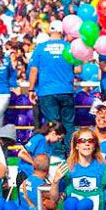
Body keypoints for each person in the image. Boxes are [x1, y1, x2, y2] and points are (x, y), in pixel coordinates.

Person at [28, 25, 79, 157]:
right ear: (62, 32)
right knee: (68, 125)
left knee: (54, 125)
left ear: (49, 32)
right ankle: (71, 155)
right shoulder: (69, 47)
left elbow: (34, 70)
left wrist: (31, 89)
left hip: (47, 91)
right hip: (66, 90)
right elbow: (78, 69)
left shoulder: (40, 48)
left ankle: (57, 157)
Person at [16, 122, 66, 187]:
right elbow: (21, 154)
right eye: (59, 138)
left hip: (37, 178)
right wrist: (35, 164)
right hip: (26, 175)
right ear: (53, 133)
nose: (59, 141)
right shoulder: (39, 138)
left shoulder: (50, 146)